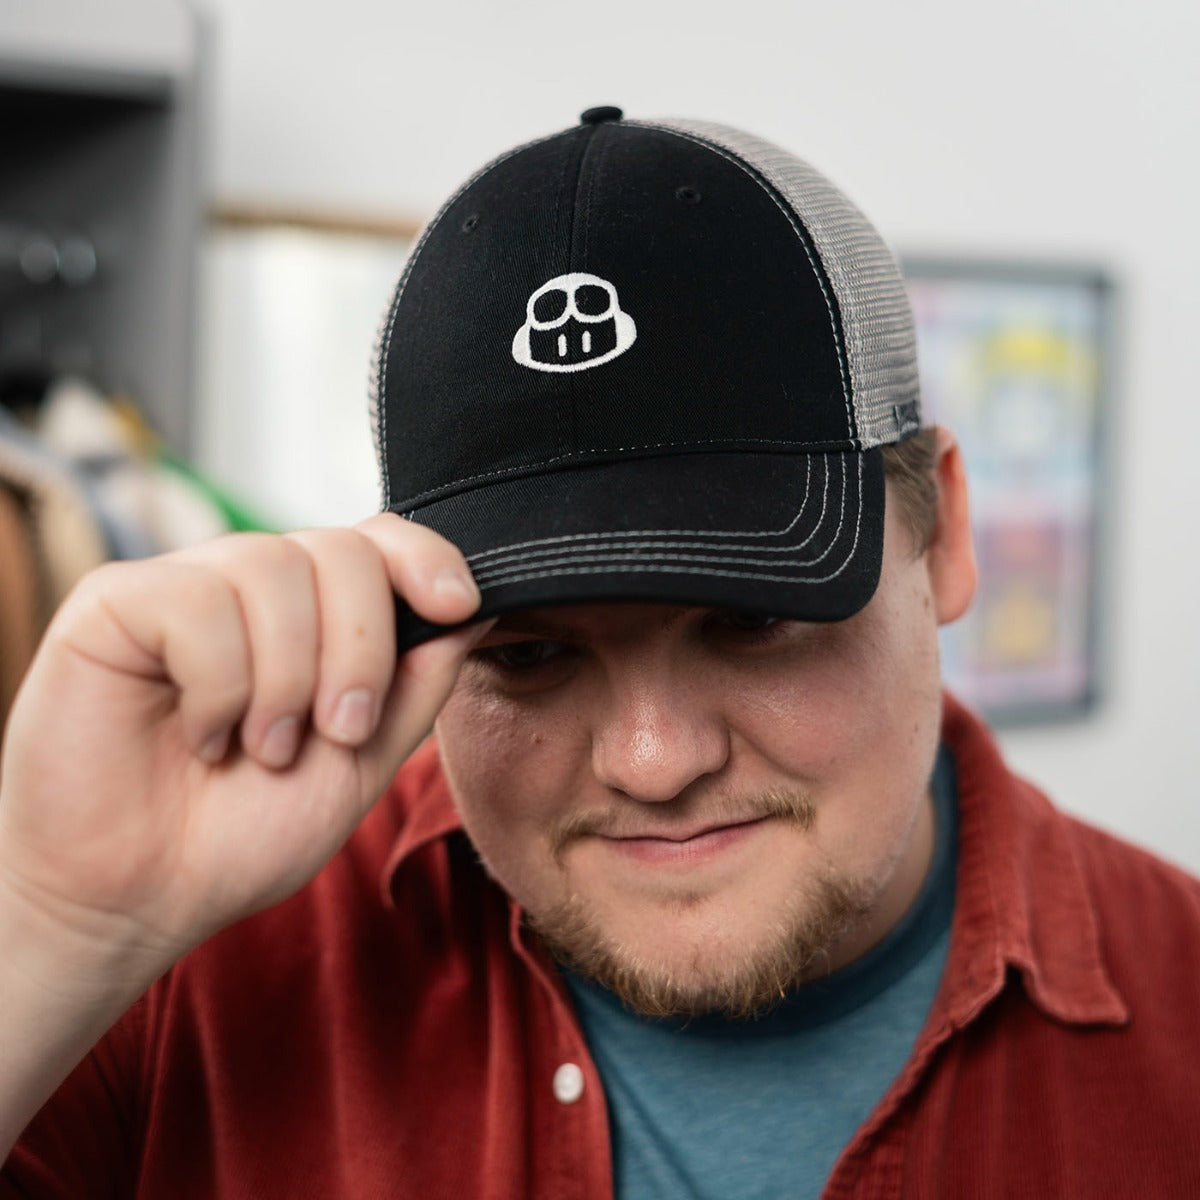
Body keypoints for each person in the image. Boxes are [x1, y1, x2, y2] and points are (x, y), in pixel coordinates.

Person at [2, 107, 1199, 1199]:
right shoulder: (169, 974)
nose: (653, 761)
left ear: (945, 534)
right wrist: (52, 922)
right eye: (529, 655)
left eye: (751, 620)